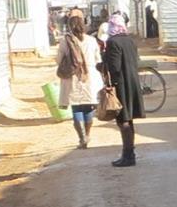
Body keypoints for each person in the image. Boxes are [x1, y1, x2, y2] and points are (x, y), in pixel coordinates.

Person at [99, 14, 145, 168]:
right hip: (132, 83)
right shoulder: (130, 41)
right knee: (129, 119)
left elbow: (115, 67)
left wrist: (101, 65)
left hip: (122, 86)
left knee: (123, 120)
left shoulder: (112, 42)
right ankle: (129, 154)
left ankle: (128, 156)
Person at [54, 10, 102, 148]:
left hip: (72, 78)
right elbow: (98, 59)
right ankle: (87, 135)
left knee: (76, 108)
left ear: (69, 26)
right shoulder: (92, 40)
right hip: (89, 78)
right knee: (88, 108)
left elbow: (58, 60)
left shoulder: (65, 41)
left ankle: (81, 139)